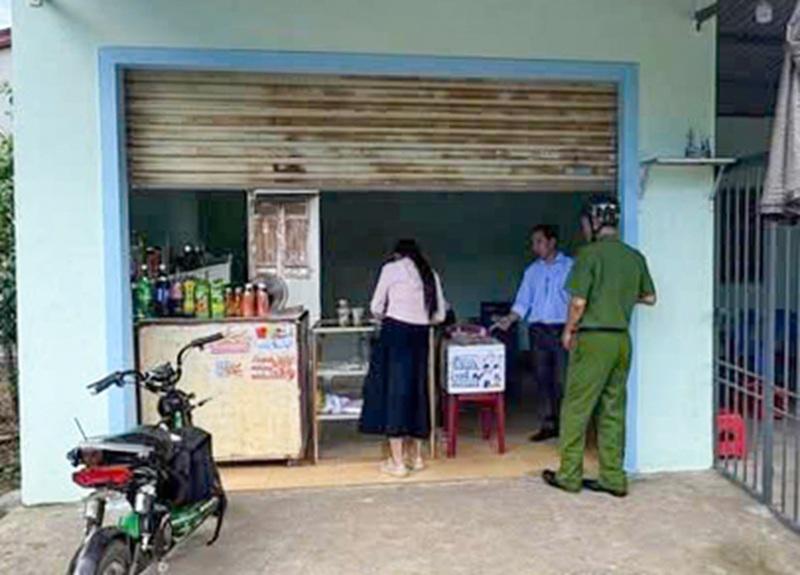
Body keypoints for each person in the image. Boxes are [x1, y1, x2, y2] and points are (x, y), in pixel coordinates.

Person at [542, 196, 656, 497]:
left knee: (576, 407)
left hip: (593, 339)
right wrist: (618, 297)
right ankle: (613, 478)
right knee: (613, 408)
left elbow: (578, 302)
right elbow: (649, 297)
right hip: (621, 340)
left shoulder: (589, 255)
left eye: (584, 223)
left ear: (593, 222)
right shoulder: (634, 256)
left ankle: (569, 475)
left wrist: (568, 330)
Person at [359, 239, 447, 478]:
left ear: (398, 255)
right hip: (421, 336)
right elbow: (439, 315)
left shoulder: (391, 269)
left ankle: (397, 463)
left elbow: (376, 306)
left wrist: (391, 313)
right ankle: (416, 458)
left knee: (394, 393)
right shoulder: (430, 273)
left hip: (395, 334)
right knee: (418, 392)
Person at [495, 225, 573, 442]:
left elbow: (577, 299)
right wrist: (509, 319)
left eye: (539, 241)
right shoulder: (532, 271)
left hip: (562, 328)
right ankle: (548, 424)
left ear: (552, 242)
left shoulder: (570, 266)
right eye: (534, 242)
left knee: (562, 379)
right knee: (542, 377)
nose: (535, 247)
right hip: (538, 330)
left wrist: (573, 328)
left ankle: (567, 426)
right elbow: (523, 301)